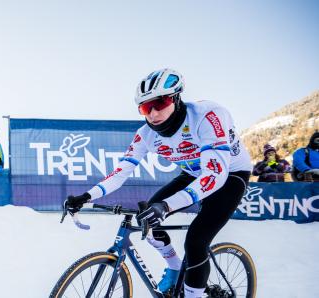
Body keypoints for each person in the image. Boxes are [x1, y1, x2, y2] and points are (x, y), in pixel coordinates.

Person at [64, 69, 252, 297]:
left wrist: (167, 206)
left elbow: (215, 175)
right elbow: (121, 171)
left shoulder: (208, 115)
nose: (152, 113)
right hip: (193, 173)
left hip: (229, 174)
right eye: (145, 108)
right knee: (148, 219)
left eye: (159, 103)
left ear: (175, 98)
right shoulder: (145, 134)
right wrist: (87, 196)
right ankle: (174, 267)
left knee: (196, 241)